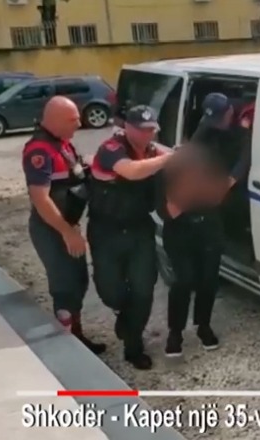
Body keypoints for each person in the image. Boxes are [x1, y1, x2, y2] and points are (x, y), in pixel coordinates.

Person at [161, 92, 252, 357]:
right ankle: (175, 333)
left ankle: (203, 326)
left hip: (209, 222)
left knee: (208, 280)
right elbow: (168, 205)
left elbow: (242, 159)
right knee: (183, 281)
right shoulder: (199, 139)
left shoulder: (233, 131)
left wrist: (226, 182)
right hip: (182, 227)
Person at [87, 105, 173, 370]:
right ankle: (122, 314)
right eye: (141, 129)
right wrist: (169, 159)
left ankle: (133, 346)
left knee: (143, 290)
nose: (147, 135)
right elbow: (132, 171)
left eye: (151, 130)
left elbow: (174, 157)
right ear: (127, 128)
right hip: (106, 231)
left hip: (139, 229)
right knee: (110, 290)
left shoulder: (153, 151)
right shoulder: (111, 149)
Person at [22, 96, 105, 354]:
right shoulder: (39, 151)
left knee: (78, 281)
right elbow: (40, 198)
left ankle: (75, 335)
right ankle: (69, 346)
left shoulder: (62, 144)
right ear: (54, 120)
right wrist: (67, 232)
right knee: (65, 286)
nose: (79, 124)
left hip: (67, 226)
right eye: (72, 120)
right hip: (52, 229)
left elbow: (76, 175)